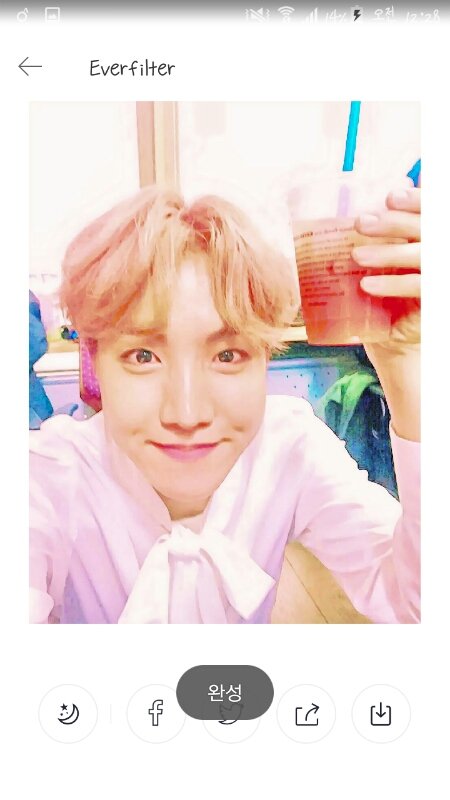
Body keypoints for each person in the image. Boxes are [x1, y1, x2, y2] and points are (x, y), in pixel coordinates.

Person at [29, 183, 420, 624]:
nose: (187, 414)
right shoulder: (46, 478)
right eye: (143, 356)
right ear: (94, 362)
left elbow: (416, 604)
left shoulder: (288, 447)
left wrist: (407, 367)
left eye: (228, 355)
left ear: (265, 357)